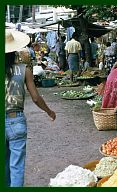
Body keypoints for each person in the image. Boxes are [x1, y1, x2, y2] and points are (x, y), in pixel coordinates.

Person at [5, 29, 56, 187]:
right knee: (17, 166)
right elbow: (35, 97)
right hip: (16, 120)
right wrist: (49, 111)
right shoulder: (24, 69)